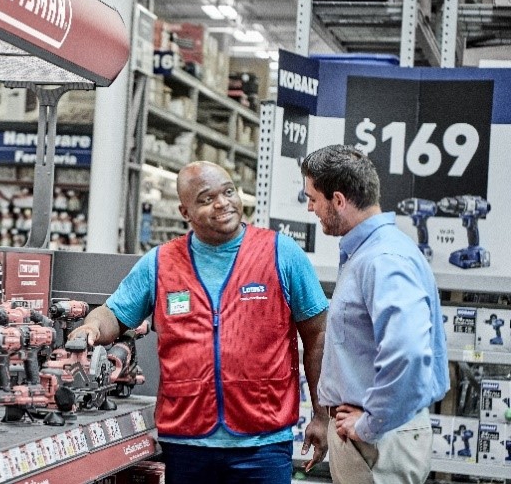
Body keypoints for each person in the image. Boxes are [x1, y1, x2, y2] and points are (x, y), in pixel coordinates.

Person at [70, 161, 329, 483]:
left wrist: (322, 414)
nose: (223, 204)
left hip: (263, 439)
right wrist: (92, 327)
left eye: (229, 192)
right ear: (185, 211)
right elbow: (114, 314)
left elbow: (318, 334)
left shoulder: (281, 253)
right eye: (207, 199)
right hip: (186, 440)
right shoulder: (161, 262)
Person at [300, 144, 449, 483]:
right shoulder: (371, 253)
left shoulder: (383, 260)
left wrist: (370, 423)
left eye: (313, 197)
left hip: (378, 441)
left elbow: (407, 352)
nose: (310, 207)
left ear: (339, 200)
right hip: (372, 438)